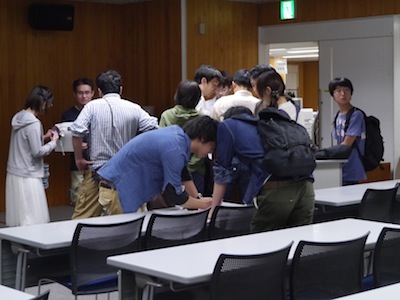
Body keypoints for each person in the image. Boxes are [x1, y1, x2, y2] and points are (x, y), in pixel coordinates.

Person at [69, 70, 158, 219]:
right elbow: (154, 128)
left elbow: (77, 131)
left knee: (81, 219)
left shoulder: (92, 106)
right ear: (121, 89)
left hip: (96, 171)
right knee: (127, 219)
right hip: (125, 173)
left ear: (99, 91)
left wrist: (78, 159)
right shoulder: (134, 108)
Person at [211, 106, 315, 233]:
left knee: (264, 246)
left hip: (277, 192)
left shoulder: (227, 126)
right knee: (298, 241)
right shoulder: (267, 128)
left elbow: (222, 172)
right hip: (307, 189)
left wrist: (213, 212)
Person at [97, 116, 218, 213]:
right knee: (127, 240)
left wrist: (198, 199)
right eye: (211, 147)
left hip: (122, 189)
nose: (210, 152)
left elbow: (183, 174)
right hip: (118, 190)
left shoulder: (177, 137)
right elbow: (173, 194)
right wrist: (205, 204)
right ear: (203, 138)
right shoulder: (175, 149)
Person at [6, 85, 59, 226]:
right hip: (28, 175)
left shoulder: (19, 117)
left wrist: (43, 137)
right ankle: (31, 246)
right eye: (49, 102)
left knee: (21, 214)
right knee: (32, 216)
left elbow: (25, 143)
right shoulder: (34, 123)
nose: (51, 105)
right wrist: (53, 142)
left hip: (14, 173)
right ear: (42, 102)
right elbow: (37, 152)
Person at [61, 78, 94, 205]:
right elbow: (63, 141)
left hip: (97, 162)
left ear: (93, 93)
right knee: (78, 197)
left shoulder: (97, 111)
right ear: (74, 94)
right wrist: (75, 145)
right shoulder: (68, 115)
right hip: (77, 164)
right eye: (80, 93)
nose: (84, 96)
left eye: (87, 92)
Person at [329, 77, 366, 185]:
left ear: (351, 93)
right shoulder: (337, 116)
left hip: (352, 167)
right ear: (333, 95)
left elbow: (346, 144)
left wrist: (325, 153)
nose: (343, 94)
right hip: (340, 168)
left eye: (347, 90)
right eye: (338, 91)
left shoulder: (356, 115)